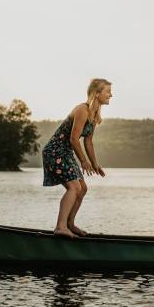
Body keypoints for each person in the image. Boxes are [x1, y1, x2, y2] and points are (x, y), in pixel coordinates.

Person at [42, 78, 112, 238]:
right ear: (97, 93)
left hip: (65, 152)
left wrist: (95, 164)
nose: (111, 95)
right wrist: (83, 161)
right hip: (55, 151)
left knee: (83, 189)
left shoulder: (94, 116)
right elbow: (74, 139)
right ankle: (60, 227)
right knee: (75, 188)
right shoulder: (83, 109)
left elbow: (88, 142)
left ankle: (69, 224)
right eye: (107, 91)